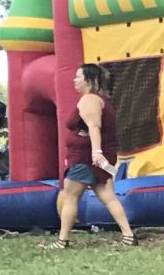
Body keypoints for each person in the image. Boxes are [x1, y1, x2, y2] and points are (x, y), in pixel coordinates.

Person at [55, 66, 135, 247]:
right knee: (108, 197)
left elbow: (94, 126)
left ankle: (63, 240)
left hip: (85, 159)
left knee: (70, 197)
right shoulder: (100, 99)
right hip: (97, 159)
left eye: (78, 77)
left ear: (89, 80)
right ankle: (128, 236)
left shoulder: (90, 99)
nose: (74, 80)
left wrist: (96, 152)